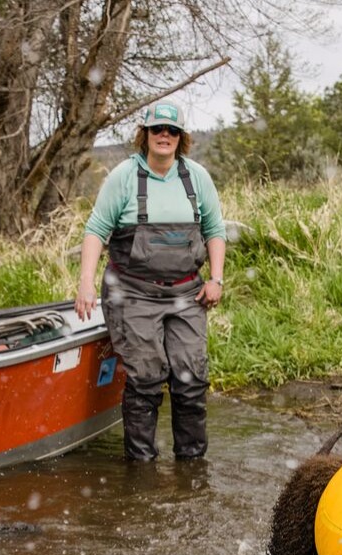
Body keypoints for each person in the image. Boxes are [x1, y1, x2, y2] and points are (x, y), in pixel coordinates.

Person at [75, 100, 226, 461]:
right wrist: (85, 282)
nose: (164, 136)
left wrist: (216, 279)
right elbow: (96, 230)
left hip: (187, 293)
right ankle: (141, 473)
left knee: (190, 380)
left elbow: (214, 230)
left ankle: (191, 469)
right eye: (157, 129)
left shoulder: (197, 177)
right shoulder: (124, 177)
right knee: (146, 379)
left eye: (172, 131)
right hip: (133, 294)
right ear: (145, 134)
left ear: (181, 138)